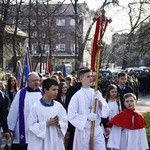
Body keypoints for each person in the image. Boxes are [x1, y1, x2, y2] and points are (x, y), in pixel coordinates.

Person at [68, 68, 110, 150]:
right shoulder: (77, 96)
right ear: (81, 79)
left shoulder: (96, 92)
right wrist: (87, 117)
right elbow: (71, 115)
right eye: (88, 76)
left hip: (96, 128)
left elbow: (105, 111)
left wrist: (100, 101)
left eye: (91, 76)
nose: (91, 78)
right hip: (84, 130)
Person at [27, 78, 68, 150]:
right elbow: (31, 125)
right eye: (53, 90)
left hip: (55, 141)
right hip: (41, 143)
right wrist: (46, 123)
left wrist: (58, 124)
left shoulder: (58, 106)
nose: (56, 92)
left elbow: (64, 121)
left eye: (57, 90)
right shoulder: (36, 107)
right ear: (45, 90)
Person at [7, 72, 43, 150]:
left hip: (39, 130)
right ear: (28, 81)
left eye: (38, 80)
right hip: (24, 129)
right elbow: (14, 111)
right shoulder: (21, 93)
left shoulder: (43, 94)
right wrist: (9, 129)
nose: (37, 82)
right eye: (34, 80)